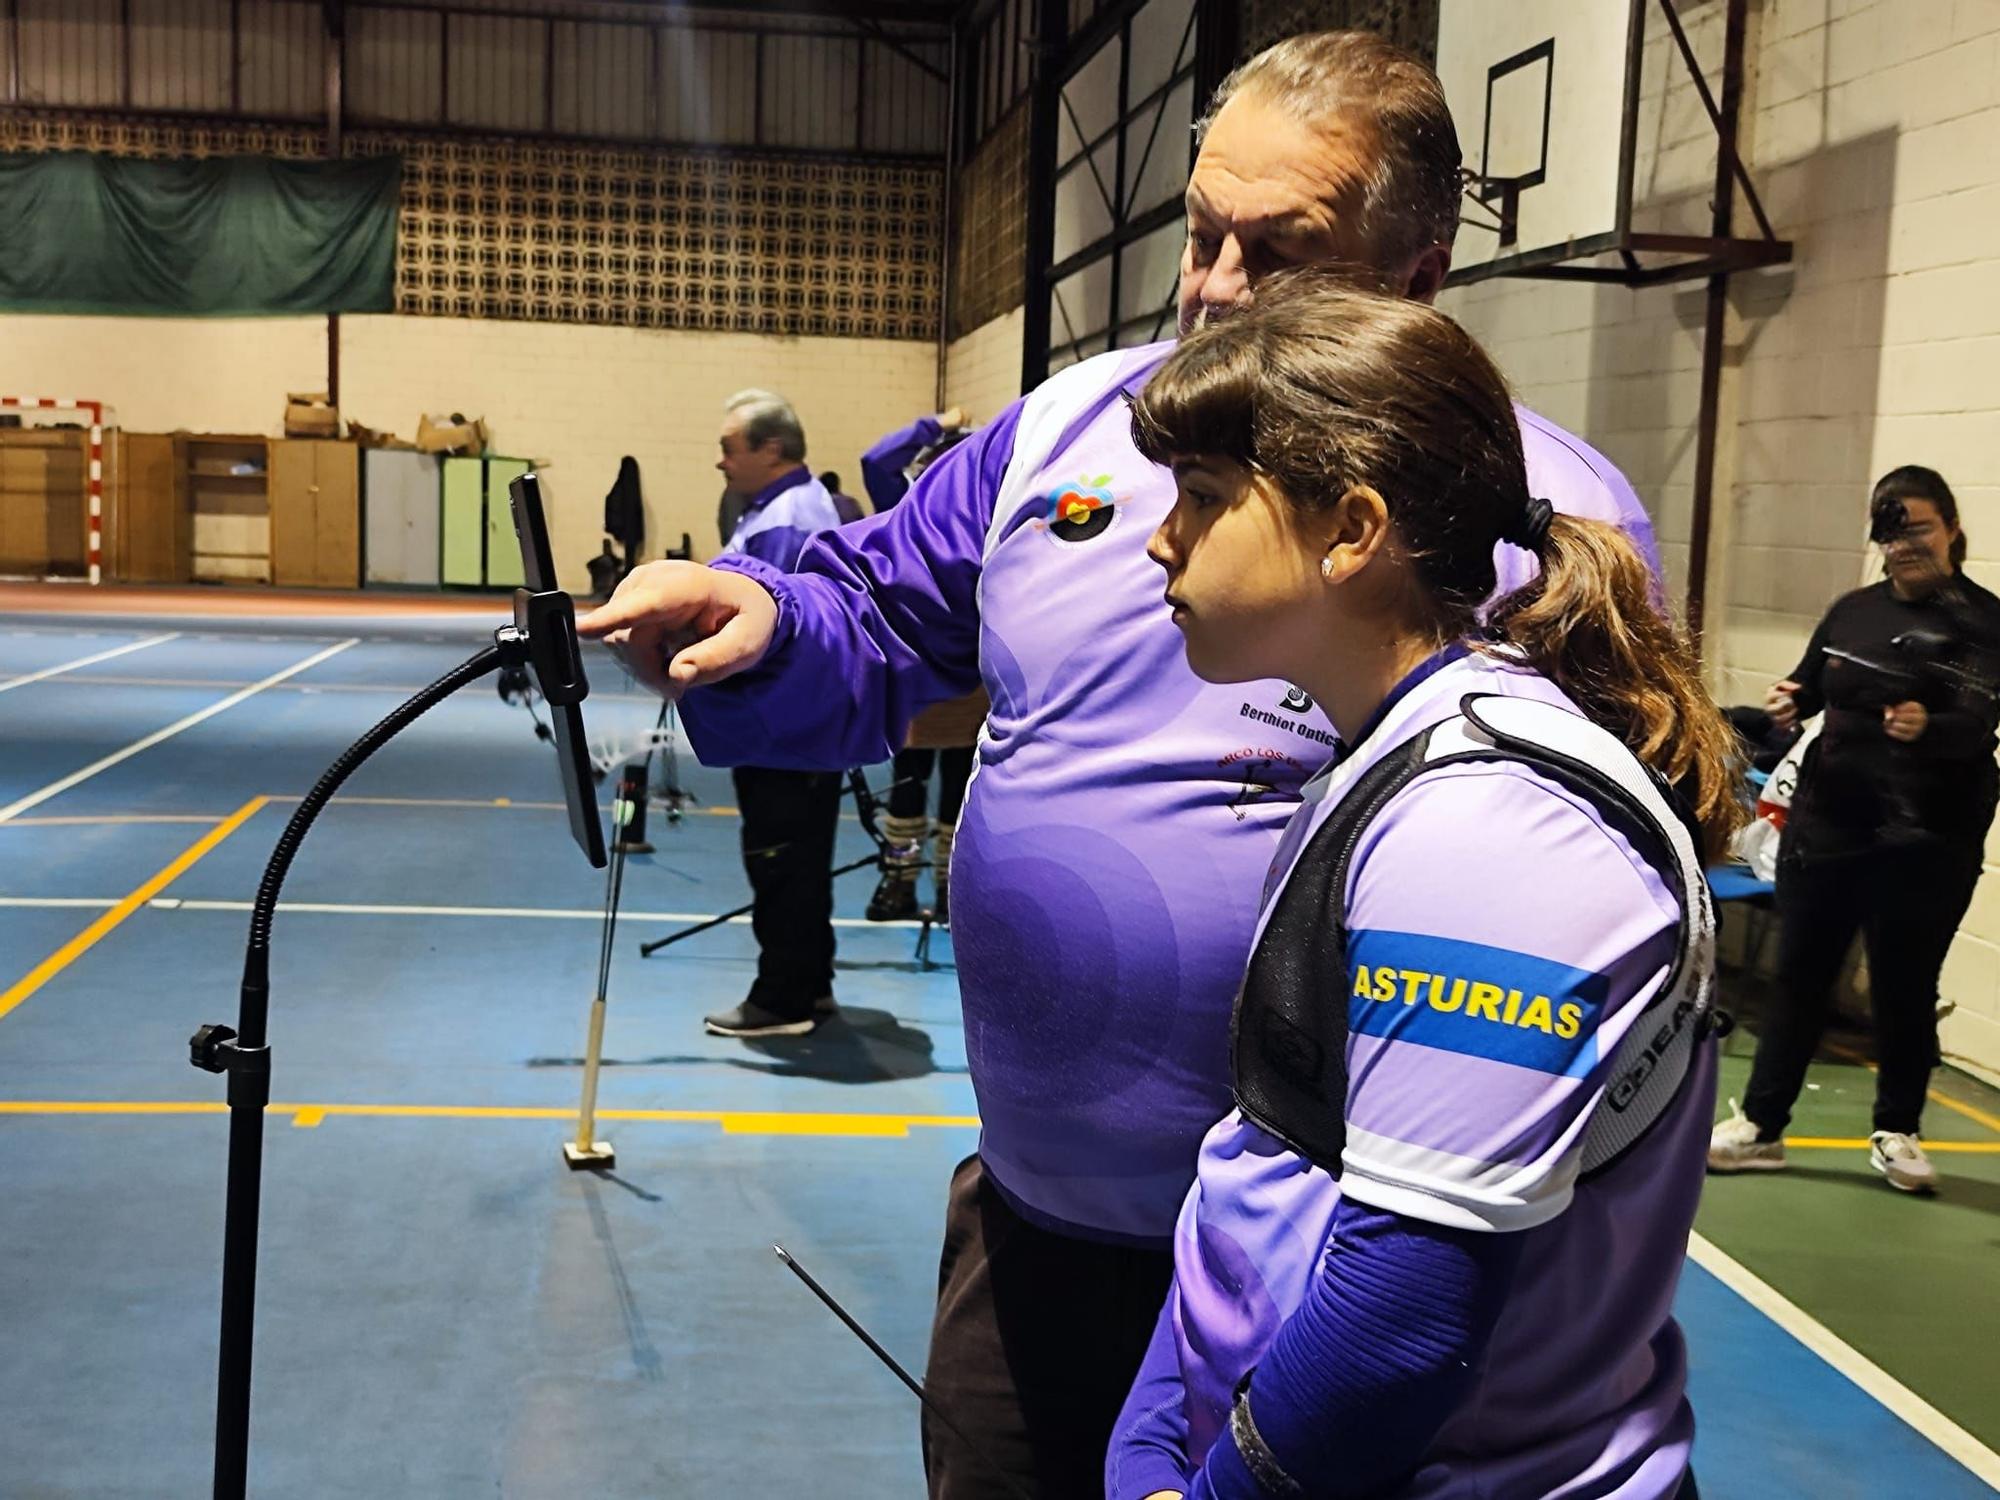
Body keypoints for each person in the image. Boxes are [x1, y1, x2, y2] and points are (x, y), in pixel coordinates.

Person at [580, 32, 1663, 1498]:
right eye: (1200, 232)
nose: (1212, 285)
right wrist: (763, 620)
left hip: (1345, 1259)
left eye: (1276, 250)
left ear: (1411, 279)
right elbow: (880, 612)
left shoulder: (1543, 513)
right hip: (1043, 1229)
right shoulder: (1064, 431)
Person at [1104, 273, 1734, 1500]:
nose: (1157, 538)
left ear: (1350, 531)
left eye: (1203, 498)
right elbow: (1267, 1159)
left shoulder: (1484, 830)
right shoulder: (1390, 754)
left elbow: (1398, 1326)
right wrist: (1154, 1428)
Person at [1709, 466, 2000, 1192]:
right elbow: (1810, 683)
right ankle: (1762, 1129)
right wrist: (1788, 701)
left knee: (1905, 988)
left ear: (1953, 529)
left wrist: (1930, 726)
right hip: (1827, 830)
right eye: (1893, 532)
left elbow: (1981, 725)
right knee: (1800, 981)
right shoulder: (1852, 611)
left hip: (1929, 842)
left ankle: (1897, 1132)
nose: (1906, 545)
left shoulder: (1984, 623)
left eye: (1920, 529)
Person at [702, 389, 846, 1038]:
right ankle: (809, 984)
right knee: (802, 856)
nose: (720, 462)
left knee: (779, 855)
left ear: (771, 449)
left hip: (782, 722)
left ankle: (782, 998)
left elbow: (759, 627)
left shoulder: (786, 521)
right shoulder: (780, 509)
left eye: (729, 448)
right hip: (799, 723)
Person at [856, 409, 984, 924]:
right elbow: (876, 461)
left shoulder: (994, 514)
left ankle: (949, 886)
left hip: (976, 679)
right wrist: (937, 423)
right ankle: (900, 882)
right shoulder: (911, 512)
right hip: (917, 676)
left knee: (961, 790)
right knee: (907, 787)